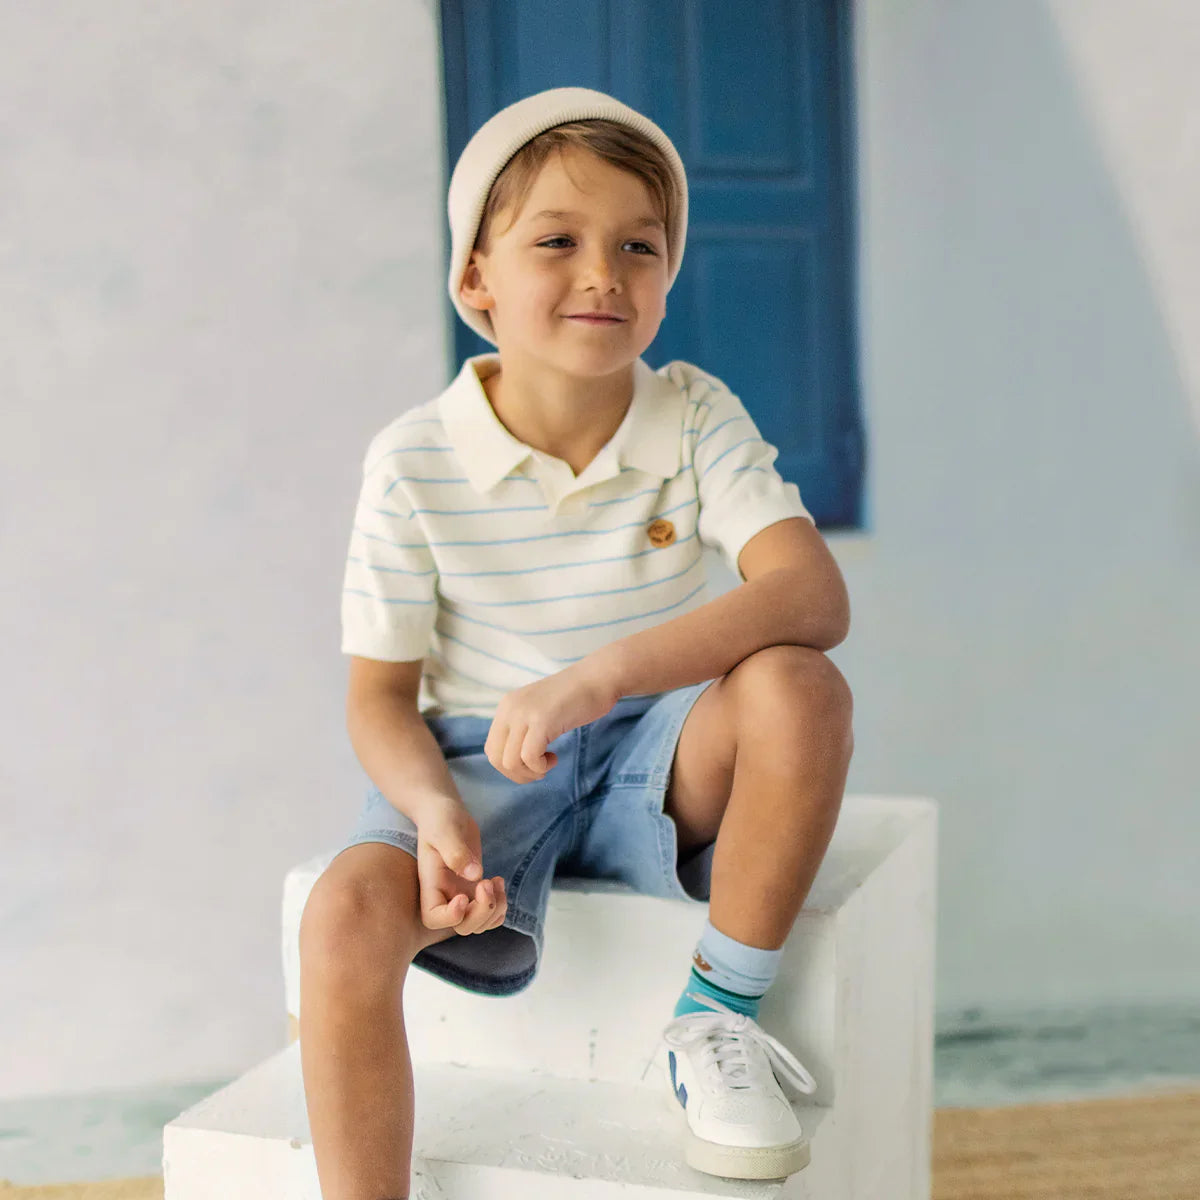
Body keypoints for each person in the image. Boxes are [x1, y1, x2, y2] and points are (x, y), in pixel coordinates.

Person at [299, 86, 854, 1199]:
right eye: (557, 241)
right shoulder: (412, 460)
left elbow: (813, 593)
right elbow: (378, 700)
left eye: (639, 246)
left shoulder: (695, 414)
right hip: (480, 766)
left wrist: (598, 679)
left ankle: (718, 1014)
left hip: (660, 755)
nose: (604, 272)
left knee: (799, 684)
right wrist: (434, 810)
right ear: (476, 280)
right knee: (343, 916)